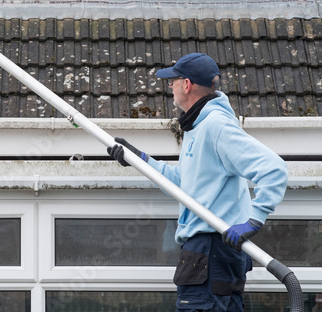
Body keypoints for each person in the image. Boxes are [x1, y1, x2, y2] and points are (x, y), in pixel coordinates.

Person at [107, 53, 289, 312]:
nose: (170, 87)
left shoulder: (216, 126)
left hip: (210, 249)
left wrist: (254, 219)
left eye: (173, 81)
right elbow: (183, 184)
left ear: (187, 85)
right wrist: (139, 159)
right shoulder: (198, 127)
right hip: (211, 252)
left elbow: (274, 169)